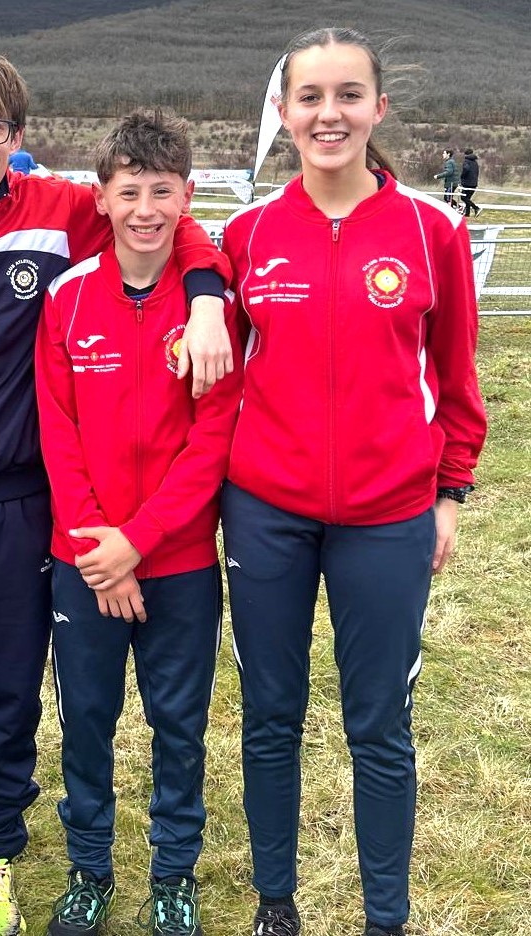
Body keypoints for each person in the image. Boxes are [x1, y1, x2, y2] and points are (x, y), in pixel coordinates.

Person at [0, 46, 234, 936]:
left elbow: (164, 215)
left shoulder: (64, 210)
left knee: (10, 692)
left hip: (27, 505)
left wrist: (207, 296)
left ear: (17, 134)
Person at [219, 27, 487, 936]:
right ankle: (276, 903)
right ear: (284, 111)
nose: (327, 114)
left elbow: (456, 380)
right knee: (271, 715)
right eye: (310, 97)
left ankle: (386, 919)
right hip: (266, 512)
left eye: (347, 95)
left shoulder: (432, 231)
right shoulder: (248, 235)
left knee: (378, 725)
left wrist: (449, 495)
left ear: (378, 107)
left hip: (388, 517)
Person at [35, 108, 242, 936]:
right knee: (85, 723)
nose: (146, 210)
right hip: (83, 563)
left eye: (162, 191)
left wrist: (139, 543)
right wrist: (102, 549)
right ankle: (89, 869)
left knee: (178, 728)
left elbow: (211, 444)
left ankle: (173, 874)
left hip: (178, 564)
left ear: (187, 195)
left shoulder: (212, 313)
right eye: (129, 192)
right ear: (102, 197)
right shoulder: (67, 299)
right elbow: (58, 434)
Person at [459, 147, 481, 217]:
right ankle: (467, 213)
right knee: (467, 198)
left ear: (465, 154)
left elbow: (466, 169)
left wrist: (462, 177)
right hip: (474, 183)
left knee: (463, 197)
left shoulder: (466, 161)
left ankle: (476, 208)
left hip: (467, 183)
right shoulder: (475, 162)